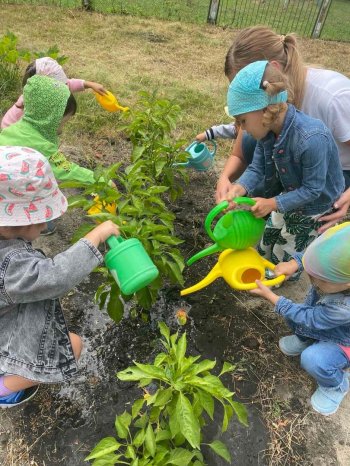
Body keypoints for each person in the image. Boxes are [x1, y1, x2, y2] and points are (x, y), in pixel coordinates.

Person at [0, 146, 120, 408]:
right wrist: (96, 236)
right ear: (13, 224)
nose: (45, 226)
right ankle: (4, 388)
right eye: (42, 220)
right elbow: (54, 277)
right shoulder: (11, 265)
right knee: (73, 347)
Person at [217, 26, 350, 227]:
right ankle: (272, 208)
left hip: (334, 174)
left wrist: (346, 198)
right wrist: (230, 181)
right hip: (296, 160)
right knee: (252, 140)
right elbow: (242, 155)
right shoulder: (270, 115)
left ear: (273, 72)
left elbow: (314, 187)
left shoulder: (333, 98)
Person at [225, 60, 344, 273]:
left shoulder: (310, 138)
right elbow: (257, 169)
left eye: (242, 121)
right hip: (288, 194)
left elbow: (312, 190)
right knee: (270, 233)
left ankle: (281, 277)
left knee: (288, 245)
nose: (241, 129)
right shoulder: (268, 132)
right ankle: (264, 263)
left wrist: (272, 203)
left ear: (264, 109)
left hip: (314, 206)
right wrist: (239, 187)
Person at [250, 222, 350, 416]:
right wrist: (294, 263)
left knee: (314, 358)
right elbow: (315, 254)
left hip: (342, 340)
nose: (311, 279)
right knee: (296, 314)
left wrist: (273, 298)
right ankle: (306, 340)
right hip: (321, 321)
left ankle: (336, 386)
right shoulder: (339, 268)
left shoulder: (345, 308)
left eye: (318, 278)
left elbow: (309, 318)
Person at [0, 75, 96, 185]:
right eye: (63, 122)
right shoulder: (42, 146)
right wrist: (100, 181)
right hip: (17, 196)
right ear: (51, 119)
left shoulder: (11, 130)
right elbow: (67, 171)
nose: (63, 128)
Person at [1, 56, 106, 129]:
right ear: (41, 88)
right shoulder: (28, 103)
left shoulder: (57, 89)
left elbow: (69, 84)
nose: (63, 87)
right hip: (11, 132)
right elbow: (29, 131)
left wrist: (90, 84)